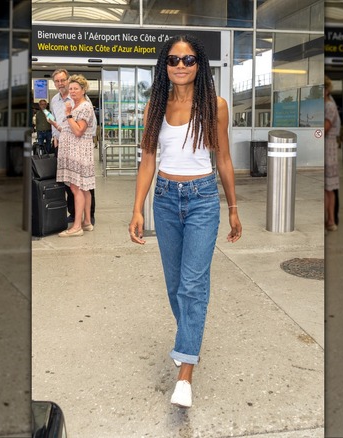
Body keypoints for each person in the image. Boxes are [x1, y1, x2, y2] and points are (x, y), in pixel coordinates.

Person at [128, 34, 242, 408]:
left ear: (199, 64)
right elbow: (148, 160)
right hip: (164, 201)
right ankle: (188, 339)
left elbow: (223, 159)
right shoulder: (154, 107)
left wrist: (233, 208)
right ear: (165, 66)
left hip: (203, 200)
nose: (180, 66)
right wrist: (137, 208)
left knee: (193, 286)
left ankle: (185, 373)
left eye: (188, 60)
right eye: (174, 60)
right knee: (175, 285)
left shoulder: (215, 106)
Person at [50, 68, 95, 224]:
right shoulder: (55, 100)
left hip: (79, 148)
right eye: (57, 81)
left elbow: (80, 129)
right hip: (64, 144)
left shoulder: (81, 103)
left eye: (63, 80)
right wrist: (56, 134)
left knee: (81, 186)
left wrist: (68, 115)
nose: (61, 84)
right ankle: (81, 218)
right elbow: (62, 123)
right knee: (74, 186)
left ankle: (83, 220)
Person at [324, 75, 340, 232]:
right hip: (326, 149)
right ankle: (329, 219)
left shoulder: (329, 106)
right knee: (327, 187)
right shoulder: (326, 104)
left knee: (329, 187)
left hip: (328, 150)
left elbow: (325, 128)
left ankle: (331, 219)